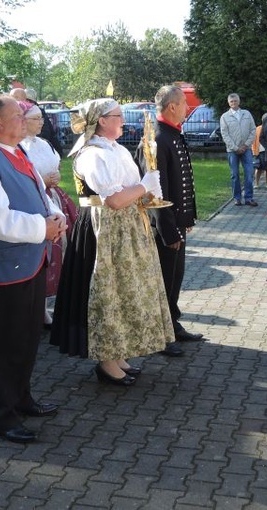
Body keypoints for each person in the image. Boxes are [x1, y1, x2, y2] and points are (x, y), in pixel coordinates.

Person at [0, 94, 66, 443]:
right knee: (6, 343)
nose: (24, 122)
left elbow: (40, 193)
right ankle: (2, 415)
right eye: (17, 117)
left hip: (30, 259)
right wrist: (43, 228)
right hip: (6, 267)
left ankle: (21, 398)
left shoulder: (17, 152)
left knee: (27, 336)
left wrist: (56, 216)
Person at [50, 98, 174, 384]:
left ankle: (118, 354)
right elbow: (115, 201)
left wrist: (146, 191)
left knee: (124, 291)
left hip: (126, 228)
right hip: (103, 229)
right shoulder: (92, 154)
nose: (123, 120)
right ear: (102, 121)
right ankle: (106, 360)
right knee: (107, 294)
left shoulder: (115, 149)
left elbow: (128, 193)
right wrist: (146, 184)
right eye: (118, 115)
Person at [135, 84, 204, 357]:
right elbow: (153, 192)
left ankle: (172, 324)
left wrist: (187, 217)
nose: (187, 108)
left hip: (177, 221)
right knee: (162, 280)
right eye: (184, 104)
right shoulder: (155, 139)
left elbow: (182, 180)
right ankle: (159, 334)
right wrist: (168, 229)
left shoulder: (172, 134)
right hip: (164, 226)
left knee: (175, 277)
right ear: (172, 106)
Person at [18, 100, 78, 325]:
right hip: (34, 201)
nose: (41, 122)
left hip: (53, 198)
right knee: (42, 254)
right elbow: (23, 179)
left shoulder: (43, 144)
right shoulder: (19, 147)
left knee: (57, 253)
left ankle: (43, 308)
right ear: (23, 121)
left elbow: (56, 167)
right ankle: (32, 309)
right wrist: (43, 180)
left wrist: (54, 178)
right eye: (36, 119)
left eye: (41, 118)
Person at [218, 93, 258, 206]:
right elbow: (225, 134)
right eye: (231, 102)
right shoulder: (225, 117)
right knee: (234, 175)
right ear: (228, 103)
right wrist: (235, 148)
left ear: (239, 101)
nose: (234, 103)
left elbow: (253, 130)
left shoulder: (247, 114)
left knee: (249, 173)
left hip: (247, 149)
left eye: (235, 101)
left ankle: (249, 198)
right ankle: (237, 198)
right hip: (232, 151)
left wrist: (246, 145)